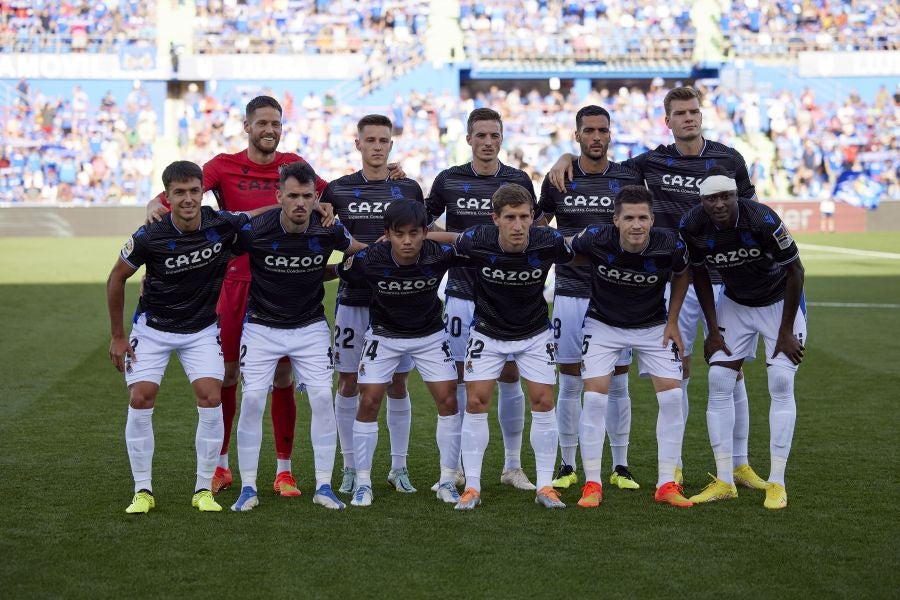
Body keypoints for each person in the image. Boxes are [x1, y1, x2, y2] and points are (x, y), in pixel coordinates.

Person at [549, 87, 765, 490]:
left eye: (694, 111)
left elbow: (750, 211)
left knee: (732, 372)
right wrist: (566, 158)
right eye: (680, 113)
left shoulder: (728, 159)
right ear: (668, 120)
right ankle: (675, 468)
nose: (689, 118)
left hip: (724, 278)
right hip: (674, 277)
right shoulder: (650, 161)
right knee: (676, 372)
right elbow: (599, 164)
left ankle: (740, 464)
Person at [145, 96, 327, 498]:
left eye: (276, 123)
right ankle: (222, 467)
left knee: (282, 376)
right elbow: (177, 197)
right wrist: (151, 205)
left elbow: (332, 195)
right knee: (228, 374)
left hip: (278, 284)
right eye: (262, 123)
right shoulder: (222, 165)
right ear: (247, 126)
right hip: (232, 283)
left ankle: (284, 470)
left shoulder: (293, 164)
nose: (270, 130)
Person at [108, 161, 250, 514]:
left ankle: (204, 489)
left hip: (201, 329)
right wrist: (117, 336)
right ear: (166, 198)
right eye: (179, 193)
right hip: (152, 328)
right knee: (141, 398)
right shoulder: (149, 235)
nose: (188, 199)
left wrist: (309, 206)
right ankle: (143, 490)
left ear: (203, 192)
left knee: (210, 395)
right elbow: (115, 278)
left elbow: (258, 216)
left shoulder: (222, 225)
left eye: (193, 191)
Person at [229, 161, 366, 512]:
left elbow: (359, 253)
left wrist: (351, 267)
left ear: (317, 197)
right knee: (254, 400)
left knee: (321, 398)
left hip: (310, 328)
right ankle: (248, 487)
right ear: (279, 196)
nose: (300, 203)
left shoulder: (329, 229)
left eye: (307, 195)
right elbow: (217, 250)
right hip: (261, 327)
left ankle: (323, 485)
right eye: (292, 196)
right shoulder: (255, 230)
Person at [430, 183, 574, 510]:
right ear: (495, 218)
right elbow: (450, 240)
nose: (518, 225)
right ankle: (474, 488)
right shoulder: (476, 239)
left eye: (525, 217)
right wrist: (421, 237)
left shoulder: (547, 241)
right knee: (476, 401)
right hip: (487, 332)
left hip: (535, 333)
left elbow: (581, 254)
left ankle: (546, 486)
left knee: (543, 401)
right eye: (510, 217)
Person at [425, 107, 544, 492]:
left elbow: (533, 227)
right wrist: (455, 244)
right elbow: (423, 223)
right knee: (463, 378)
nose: (488, 142)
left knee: (511, 376)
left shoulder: (518, 179)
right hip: (462, 292)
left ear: (502, 138)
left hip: (509, 294)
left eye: (494, 135)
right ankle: (459, 466)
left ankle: (512, 466)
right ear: (468, 139)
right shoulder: (449, 180)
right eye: (481, 136)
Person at [680, 167, 805, 510]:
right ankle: (724, 480)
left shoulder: (763, 219)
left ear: (737, 196)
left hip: (779, 301)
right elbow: (700, 274)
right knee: (719, 380)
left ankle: (777, 482)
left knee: (780, 380)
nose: (719, 204)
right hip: (735, 303)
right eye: (711, 199)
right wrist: (712, 328)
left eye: (725, 197)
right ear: (702, 201)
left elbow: (796, 270)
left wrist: (784, 330)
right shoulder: (692, 225)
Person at [537, 105, 643, 491]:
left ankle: (621, 465)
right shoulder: (558, 179)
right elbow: (536, 227)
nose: (596, 137)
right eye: (589, 131)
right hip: (570, 293)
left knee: (617, 383)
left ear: (610, 134)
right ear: (576, 134)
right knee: (569, 381)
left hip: (618, 295)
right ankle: (567, 464)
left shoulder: (629, 177)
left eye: (602, 130)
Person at [570, 185, 693, 508]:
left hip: (653, 327)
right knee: (595, 399)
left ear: (652, 220)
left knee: (673, 397)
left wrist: (673, 320)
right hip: (603, 325)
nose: (636, 225)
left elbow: (683, 274)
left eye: (642, 218)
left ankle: (666, 483)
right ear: (616, 220)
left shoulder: (670, 245)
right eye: (629, 218)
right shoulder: (596, 238)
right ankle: (592, 483)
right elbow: (567, 251)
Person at [321, 114, 424, 495]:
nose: (377, 146)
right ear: (358, 144)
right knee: (349, 382)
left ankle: (398, 468)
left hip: (399, 303)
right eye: (371, 140)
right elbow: (325, 239)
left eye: (384, 140)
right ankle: (349, 467)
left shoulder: (409, 189)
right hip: (353, 301)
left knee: (398, 383)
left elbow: (420, 239)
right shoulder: (337, 191)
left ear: (391, 145)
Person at [336, 200, 461, 507]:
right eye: (399, 233)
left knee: (448, 398)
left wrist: (438, 237)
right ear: (387, 234)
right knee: (369, 399)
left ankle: (447, 480)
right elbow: (341, 270)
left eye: (415, 233)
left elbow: (472, 243)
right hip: (384, 335)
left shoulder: (440, 254)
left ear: (425, 233)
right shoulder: (368, 258)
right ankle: (363, 482)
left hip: (430, 335)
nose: (407, 241)